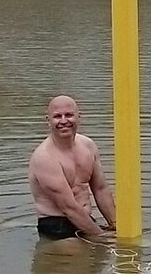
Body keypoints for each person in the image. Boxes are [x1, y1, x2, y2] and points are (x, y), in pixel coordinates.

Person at [28, 95, 116, 240]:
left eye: (68, 115)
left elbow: (101, 189)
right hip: (56, 226)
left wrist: (115, 226)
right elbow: (69, 208)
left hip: (85, 220)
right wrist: (103, 237)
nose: (63, 121)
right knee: (81, 252)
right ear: (48, 120)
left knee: (109, 251)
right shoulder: (44, 158)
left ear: (78, 117)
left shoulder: (88, 146)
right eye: (57, 116)